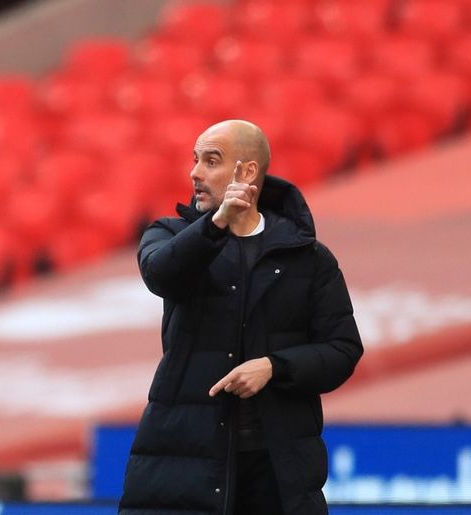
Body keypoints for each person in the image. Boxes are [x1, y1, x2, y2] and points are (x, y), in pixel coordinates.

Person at [119, 120, 363, 514]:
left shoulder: (308, 258)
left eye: (211, 161)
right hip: (185, 462)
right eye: (195, 160)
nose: (195, 173)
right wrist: (215, 226)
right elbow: (161, 274)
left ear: (247, 172)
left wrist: (275, 367)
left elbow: (343, 349)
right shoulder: (170, 235)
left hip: (277, 469)